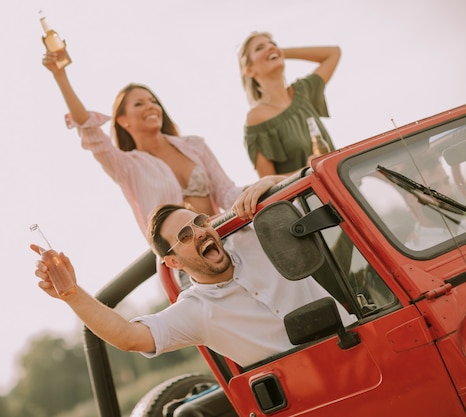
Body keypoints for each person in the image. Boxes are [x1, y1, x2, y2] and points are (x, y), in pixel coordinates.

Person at [30, 180, 355, 367]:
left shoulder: (255, 233)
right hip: (309, 394)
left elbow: (309, 178)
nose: (199, 232)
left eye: (199, 222)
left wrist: (268, 185)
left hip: (362, 345)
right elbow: (129, 337)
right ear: (174, 264)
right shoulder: (195, 312)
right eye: (184, 236)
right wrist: (72, 295)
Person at [42, 50, 245, 236]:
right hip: (183, 265)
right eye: (139, 103)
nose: (151, 106)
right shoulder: (126, 167)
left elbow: (226, 192)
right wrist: (60, 76)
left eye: (153, 101)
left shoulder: (195, 145)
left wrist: (266, 186)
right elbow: (89, 130)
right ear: (122, 120)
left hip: (224, 240)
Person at [238, 32, 341, 177]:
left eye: (272, 43)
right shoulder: (256, 118)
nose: (270, 47)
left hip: (341, 186)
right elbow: (268, 183)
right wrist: (306, 170)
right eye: (260, 48)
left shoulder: (303, 91)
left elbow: (333, 53)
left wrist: (278, 53)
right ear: (249, 70)